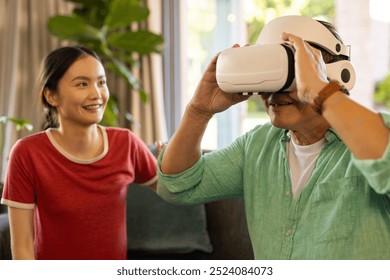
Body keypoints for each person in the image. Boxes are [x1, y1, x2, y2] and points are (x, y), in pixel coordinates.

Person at [157, 15, 390, 259]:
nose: (274, 89)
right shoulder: (257, 145)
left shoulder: (372, 135)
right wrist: (199, 111)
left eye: (291, 71)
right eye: (267, 71)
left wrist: (322, 92)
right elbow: (176, 186)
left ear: (331, 73)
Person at [0, 46, 158, 260]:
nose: (97, 94)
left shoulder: (126, 143)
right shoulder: (27, 153)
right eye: (82, 84)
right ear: (51, 96)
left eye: (101, 82)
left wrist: (174, 157)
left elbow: (175, 188)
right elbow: (22, 248)